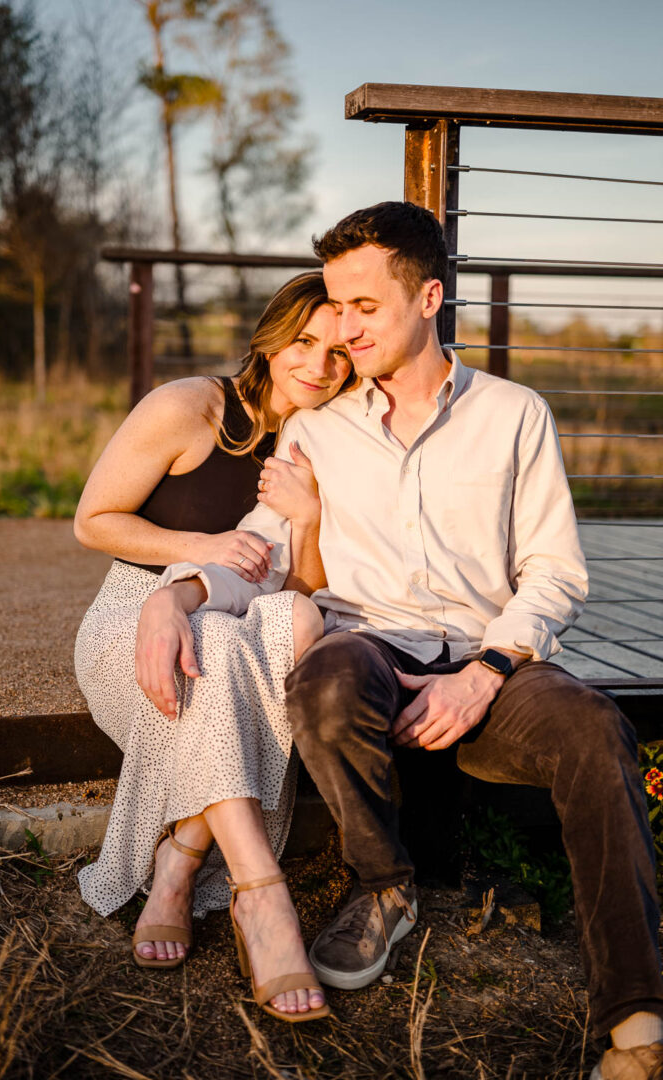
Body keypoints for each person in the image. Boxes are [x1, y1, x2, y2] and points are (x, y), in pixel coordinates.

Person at [136, 203, 663, 1078]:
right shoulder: (316, 430)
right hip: (368, 646)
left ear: (428, 298)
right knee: (324, 681)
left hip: (491, 656)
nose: (342, 330)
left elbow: (555, 573)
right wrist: (178, 595)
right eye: (335, 307)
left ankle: (638, 1020)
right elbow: (261, 557)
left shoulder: (514, 413)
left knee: (594, 728)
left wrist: (486, 671)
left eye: (362, 308)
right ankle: (383, 885)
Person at [74, 271, 352, 1020]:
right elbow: (93, 519)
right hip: (138, 616)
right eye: (303, 342)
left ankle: (180, 862)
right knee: (223, 647)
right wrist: (202, 551)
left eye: (338, 353)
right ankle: (261, 899)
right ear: (270, 337)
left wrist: (314, 518)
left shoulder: (326, 437)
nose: (318, 367)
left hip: (238, 630)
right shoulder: (189, 407)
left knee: (283, 629)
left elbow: (309, 590)